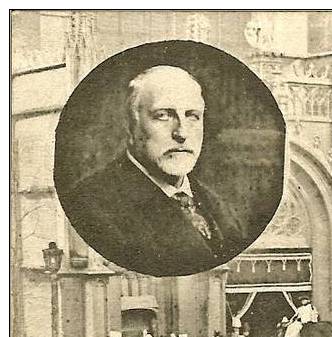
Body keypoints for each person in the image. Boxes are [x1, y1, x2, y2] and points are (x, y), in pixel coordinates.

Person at [60, 65, 246, 276]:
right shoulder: (91, 205)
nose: (182, 133)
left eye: (192, 116)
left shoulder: (220, 207)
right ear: (130, 126)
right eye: (163, 115)